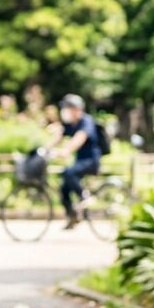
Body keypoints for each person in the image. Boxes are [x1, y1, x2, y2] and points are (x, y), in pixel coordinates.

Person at [47, 94, 103, 230]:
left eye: (67, 108)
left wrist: (66, 150)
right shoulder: (71, 124)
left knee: (69, 172)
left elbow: (79, 138)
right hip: (79, 161)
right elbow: (59, 136)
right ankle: (73, 217)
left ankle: (84, 195)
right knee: (64, 187)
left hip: (91, 161)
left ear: (77, 109)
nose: (65, 112)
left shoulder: (86, 121)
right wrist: (44, 149)